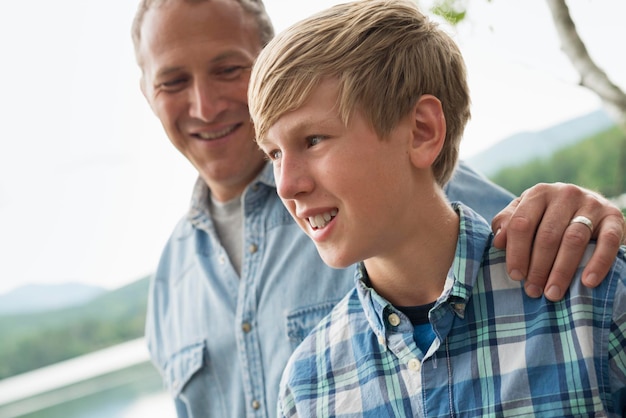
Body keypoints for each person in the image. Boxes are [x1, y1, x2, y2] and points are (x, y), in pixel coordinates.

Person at [131, 0, 626, 416]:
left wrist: (590, 220)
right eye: (172, 82)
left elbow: (531, 233)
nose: (204, 103)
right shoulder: (178, 296)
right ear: (147, 94)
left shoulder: (591, 303)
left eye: (228, 69)